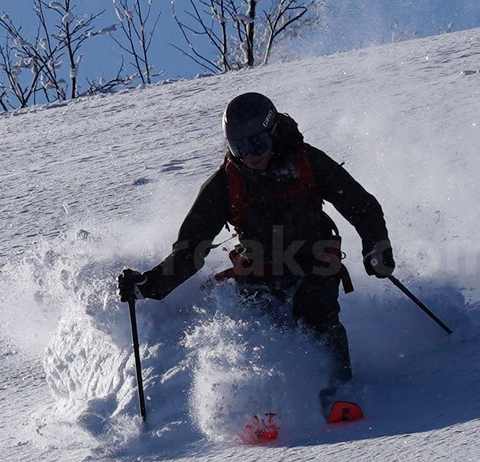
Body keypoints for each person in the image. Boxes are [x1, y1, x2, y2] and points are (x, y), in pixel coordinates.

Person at [117, 91, 394, 411]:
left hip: (313, 261)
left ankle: (340, 390)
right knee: (252, 322)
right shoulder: (224, 184)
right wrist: (149, 285)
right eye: (239, 147)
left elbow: (361, 205)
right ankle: (263, 403)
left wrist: (376, 247)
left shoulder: (306, 162)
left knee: (315, 308)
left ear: (273, 133)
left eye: (257, 143)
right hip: (259, 270)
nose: (250, 154)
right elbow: (190, 250)